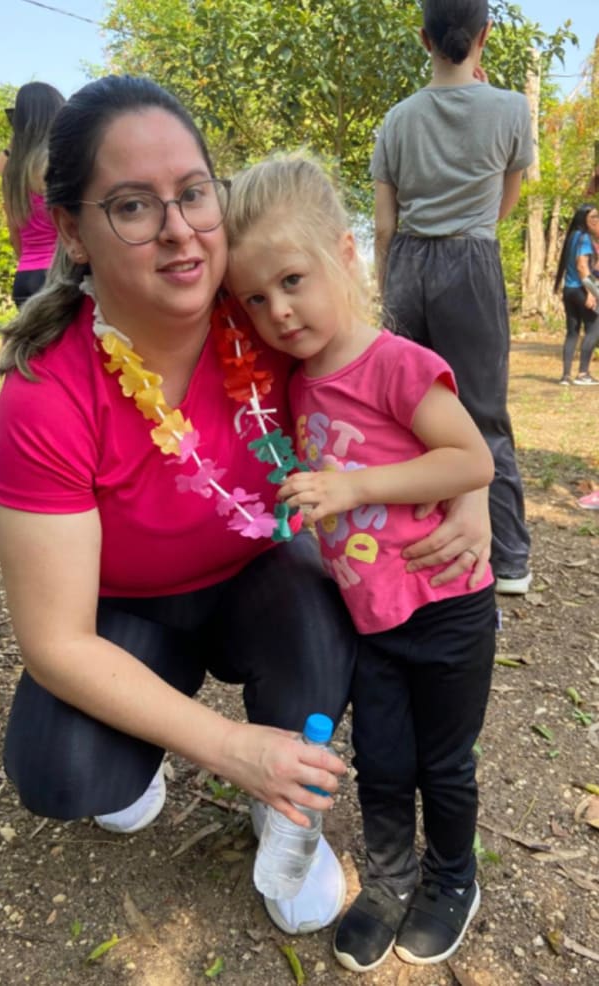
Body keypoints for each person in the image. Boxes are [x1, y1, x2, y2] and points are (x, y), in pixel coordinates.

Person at [0, 75, 490, 942]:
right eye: (133, 206)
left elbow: (402, 388)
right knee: (63, 771)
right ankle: (162, 746)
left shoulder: (261, 316)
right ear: (71, 230)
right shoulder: (44, 396)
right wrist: (230, 751)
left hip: (259, 580)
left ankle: (285, 808)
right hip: (130, 613)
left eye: (193, 194)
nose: (179, 230)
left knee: (319, 615)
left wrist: (472, 491)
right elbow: (54, 640)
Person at [226, 153, 497, 971]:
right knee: (381, 762)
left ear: (346, 252)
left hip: (447, 605)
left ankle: (452, 878)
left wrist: (355, 486)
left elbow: (472, 459)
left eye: (293, 280)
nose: (278, 311)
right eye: (256, 298)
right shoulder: (294, 382)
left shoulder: (395, 363)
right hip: (371, 617)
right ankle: (387, 881)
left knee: (442, 765)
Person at [370, 0, 534, 597]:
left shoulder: (398, 119)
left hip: (408, 266)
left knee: (405, 411)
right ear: (485, 33)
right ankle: (509, 561)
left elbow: (383, 225)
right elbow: (504, 202)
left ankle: (406, 543)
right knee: (484, 412)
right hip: (471, 262)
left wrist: (387, 287)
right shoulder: (512, 109)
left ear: (424, 38)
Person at [2, 81, 64, 307]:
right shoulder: (55, 164)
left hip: (25, 278)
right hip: (58, 275)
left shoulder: (12, 173)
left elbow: (15, 234)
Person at [553, 203, 599, 386]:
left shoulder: (572, 236)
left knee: (572, 332)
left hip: (569, 290)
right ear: (583, 219)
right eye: (593, 217)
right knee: (594, 328)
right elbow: (581, 266)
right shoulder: (584, 238)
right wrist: (591, 292)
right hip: (581, 289)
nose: (596, 220)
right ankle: (583, 374)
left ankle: (566, 376)